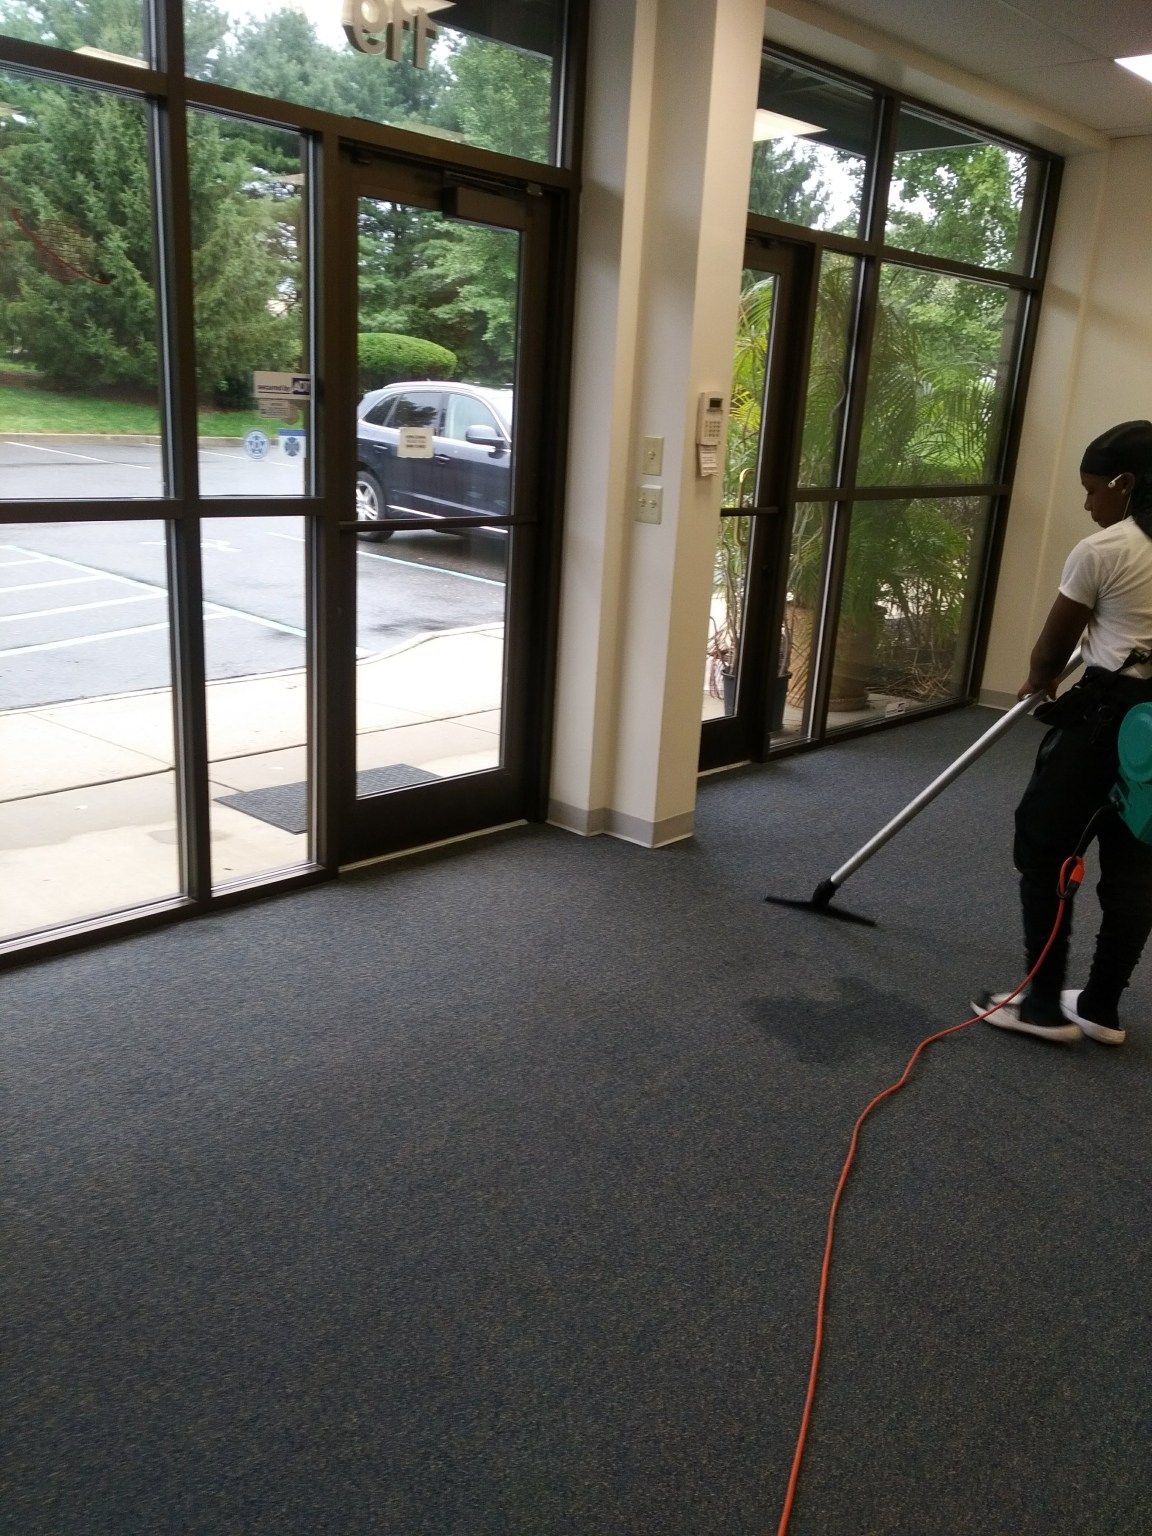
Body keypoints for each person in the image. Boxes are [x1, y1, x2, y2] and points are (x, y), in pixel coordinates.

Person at [975, 419, 1152, 1045]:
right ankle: (1101, 1007)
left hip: (1109, 722)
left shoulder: (1106, 550)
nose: (1088, 503)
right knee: (1136, 866)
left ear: (1125, 483)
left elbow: (1052, 650)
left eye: (1093, 489)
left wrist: (1039, 679)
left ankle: (1043, 1006)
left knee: (1048, 847)